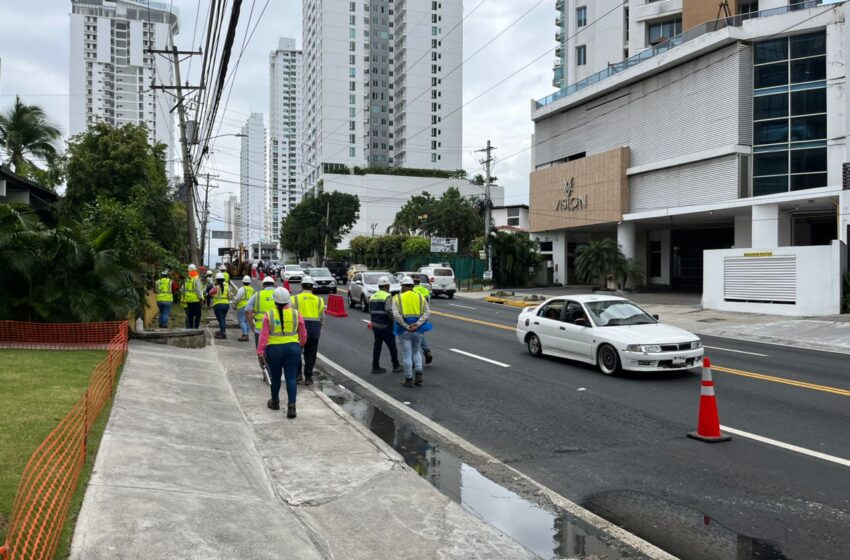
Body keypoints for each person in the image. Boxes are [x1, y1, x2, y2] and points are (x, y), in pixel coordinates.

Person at [257, 287, 307, 418]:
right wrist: (300, 345)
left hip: (274, 350)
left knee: (276, 376)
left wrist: (260, 351)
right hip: (292, 348)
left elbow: (264, 336)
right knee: (291, 377)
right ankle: (292, 406)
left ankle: (275, 402)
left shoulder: (269, 315)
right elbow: (303, 333)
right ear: (288, 300)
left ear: (275, 301)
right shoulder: (297, 314)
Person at [390, 276, 432, 387]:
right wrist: (417, 324)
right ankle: (419, 374)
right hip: (418, 330)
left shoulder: (397, 298)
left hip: (404, 330)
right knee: (416, 352)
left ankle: (408, 378)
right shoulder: (420, 297)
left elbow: (396, 315)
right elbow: (427, 313)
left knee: (407, 355)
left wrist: (406, 326)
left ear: (402, 286)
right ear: (412, 286)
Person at [292, 275, 325, 386]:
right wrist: (317, 328)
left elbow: (290, 315)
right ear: (312, 287)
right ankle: (308, 377)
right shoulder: (319, 300)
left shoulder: (294, 298)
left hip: (298, 329)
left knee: (296, 353)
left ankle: (298, 376)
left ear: (302, 286)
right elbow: (322, 319)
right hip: (314, 329)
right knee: (310, 354)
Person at [369, 276, 402, 375]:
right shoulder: (387, 296)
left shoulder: (373, 296)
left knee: (377, 346)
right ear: (387, 286)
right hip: (385, 325)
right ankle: (396, 365)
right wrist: (392, 320)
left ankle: (375, 366)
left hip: (375, 325)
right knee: (392, 345)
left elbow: (370, 311)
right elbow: (388, 310)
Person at [246, 276, 277, 347]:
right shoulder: (279, 294)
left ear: (263, 285)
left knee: (261, 352)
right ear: (273, 284)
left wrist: (252, 326)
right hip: (277, 329)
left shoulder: (257, 295)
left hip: (260, 329)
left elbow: (248, 312)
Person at [412, 276, 434, 365]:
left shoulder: (412, 291)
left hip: (414, 315)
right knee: (420, 333)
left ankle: (413, 361)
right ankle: (427, 351)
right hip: (424, 314)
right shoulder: (424, 290)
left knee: (412, 336)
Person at [209, 272, 231, 339]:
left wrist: (213, 296)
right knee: (223, 319)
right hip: (226, 304)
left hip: (218, 305)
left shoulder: (216, 287)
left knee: (220, 319)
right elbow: (228, 296)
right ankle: (222, 330)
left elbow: (210, 293)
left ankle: (223, 333)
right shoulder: (227, 287)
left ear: (216, 280)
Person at [234, 275, 254, 342]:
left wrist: (235, 305)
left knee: (242, 321)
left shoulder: (242, 289)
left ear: (243, 282)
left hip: (242, 306)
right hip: (249, 307)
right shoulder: (252, 289)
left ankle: (244, 335)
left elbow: (237, 298)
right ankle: (247, 334)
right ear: (249, 282)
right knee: (247, 321)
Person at [183, 264, 204, 329]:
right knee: (198, 315)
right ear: (194, 271)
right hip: (196, 300)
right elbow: (198, 290)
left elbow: (183, 289)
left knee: (190, 315)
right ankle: (196, 327)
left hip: (188, 300)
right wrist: (201, 298)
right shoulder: (196, 279)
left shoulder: (187, 279)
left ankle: (191, 327)